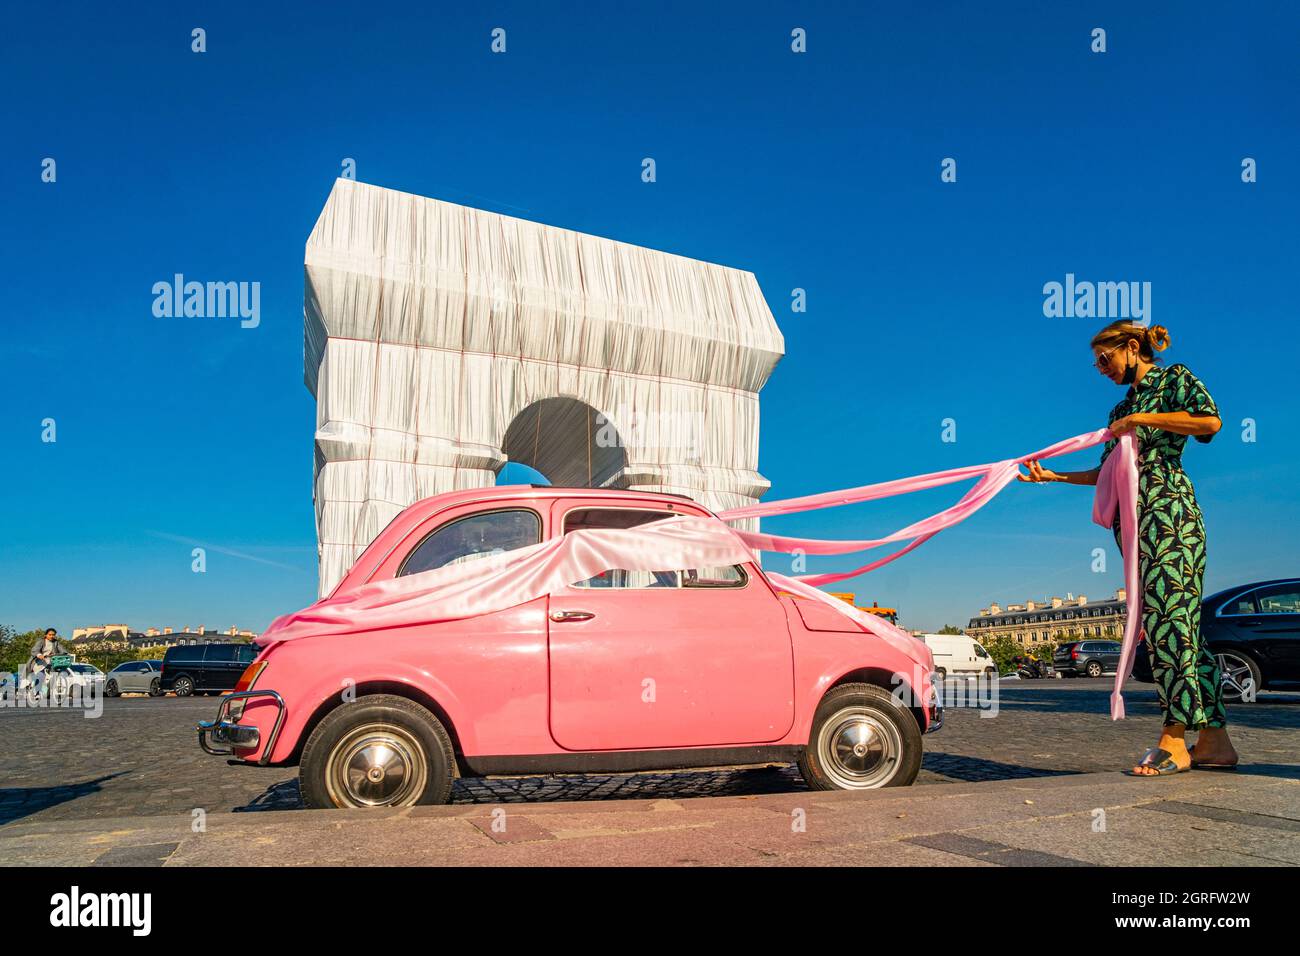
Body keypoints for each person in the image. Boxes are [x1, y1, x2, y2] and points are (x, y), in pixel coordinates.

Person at [1018, 321, 1238, 776]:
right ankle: (1215, 741)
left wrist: (1143, 420)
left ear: (1132, 347)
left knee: (1168, 626)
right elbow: (1106, 473)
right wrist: (1054, 477)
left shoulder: (1172, 378)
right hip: (1134, 526)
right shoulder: (1121, 407)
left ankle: (1174, 738)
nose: (1100, 369)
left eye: (1105, 359)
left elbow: (1209, 421)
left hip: (1170, 518)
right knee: (1181, 631)